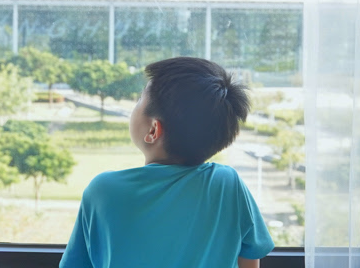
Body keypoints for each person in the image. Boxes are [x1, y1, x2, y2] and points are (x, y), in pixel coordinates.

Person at [60, 57, 274, 268]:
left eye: (140, 99)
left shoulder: (104, 190)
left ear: (153, 130)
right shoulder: (227, 184)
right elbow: (250, 253)